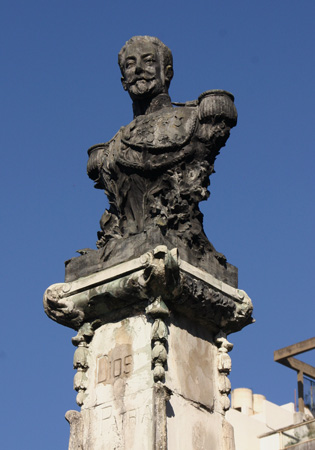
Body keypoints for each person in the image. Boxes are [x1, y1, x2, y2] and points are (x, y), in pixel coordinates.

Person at [87, 36, 237, 275]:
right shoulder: (112, 148)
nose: (137, 69)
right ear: (123, 82)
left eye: (147, 61)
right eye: (129, 65)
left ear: (167, 73)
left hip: (177, 245)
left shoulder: (194, 120)